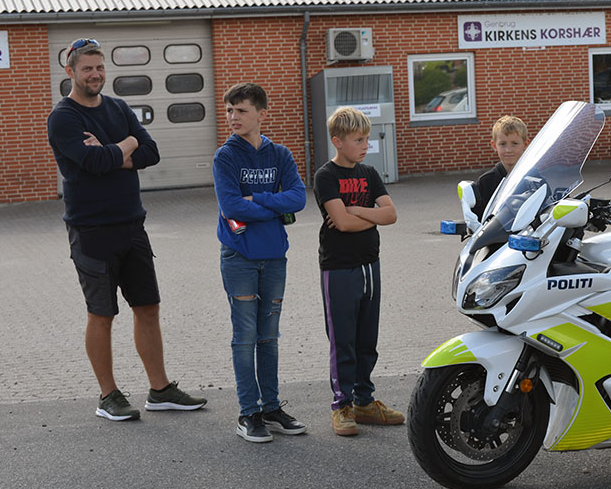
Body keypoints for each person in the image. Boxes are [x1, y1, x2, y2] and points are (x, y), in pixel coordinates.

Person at [46, 38, 206, 421]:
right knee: (102, 314)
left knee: (148, 307)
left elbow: (150, 152)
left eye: (99, 67)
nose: (95, 74)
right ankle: (108, 395)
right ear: (70, 71)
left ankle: (160, 389)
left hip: (132, 225)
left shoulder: (118, 107)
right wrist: (125, 146)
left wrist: (118, 147)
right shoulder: (64, 117)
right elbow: (92, 160)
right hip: (91, 231)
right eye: (87, 68)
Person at [213, 83, 308, 442]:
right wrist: (272, 207)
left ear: (261, 115)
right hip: (239, 257)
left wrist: (259, 199)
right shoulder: (226, 157)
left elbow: (298, 198)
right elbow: (232, 206)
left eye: (241, 110)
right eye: (229, 111)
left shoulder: (279, 154)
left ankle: (271, 407)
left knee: (269, 337)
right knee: (245, 336)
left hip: (274, 259)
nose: (233, 117)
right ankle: (248, 413)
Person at [314, 107, 402, 436]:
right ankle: (342, 406)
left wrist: (357, 209)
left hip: (370, 265)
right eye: (358, 140)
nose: (365, 145)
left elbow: (391, 214)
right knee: (343, 341)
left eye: (366, 138)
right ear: (337, 141)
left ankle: (365, 402)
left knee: (368, 338)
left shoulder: (369, 173)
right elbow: (342, 223)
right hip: (339, 269)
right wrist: (366, 215)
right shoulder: (326, 176)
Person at [471, 115, 529, 220]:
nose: (508, 150)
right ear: (494, 145)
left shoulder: (534, 179)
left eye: (514, 143)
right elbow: (477, 223)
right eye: (503, 144)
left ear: (525, 144)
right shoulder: (485, 182)